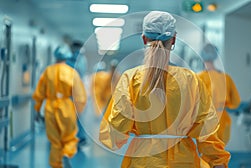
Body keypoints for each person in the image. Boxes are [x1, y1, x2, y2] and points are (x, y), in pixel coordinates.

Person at [99, 11, 230, 168]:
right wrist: (218, 161)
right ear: (173, 39)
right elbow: (206, 129)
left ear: (144, 39)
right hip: (183, 162)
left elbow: (116, 131)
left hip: (143, 161)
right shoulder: (191, 80)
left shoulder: (131, 79)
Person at [32, 46, 87, 168]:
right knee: (69, 138)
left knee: (55, 142)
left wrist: (36, 110)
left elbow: (39, 93)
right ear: (67, 57)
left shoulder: (48, 71)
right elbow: (80, 96)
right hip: (66, 108)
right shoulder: (72, 72)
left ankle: (56, 165)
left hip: (50, 108)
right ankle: (67, 154)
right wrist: (78, 112)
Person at [197, 43, 241, 145]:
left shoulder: (198, 78)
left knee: (206, 154)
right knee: (220, 153)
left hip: (205, 121)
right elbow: (236, 103)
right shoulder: (226, 78)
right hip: (222, 121)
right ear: (216, 56)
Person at [66, 40, 88, 147]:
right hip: (75, 91)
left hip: (74, 91)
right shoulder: (81, 59)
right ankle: (78, 138)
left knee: (75, 116)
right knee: (76, 116)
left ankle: (78, 138)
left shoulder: (77, 60)